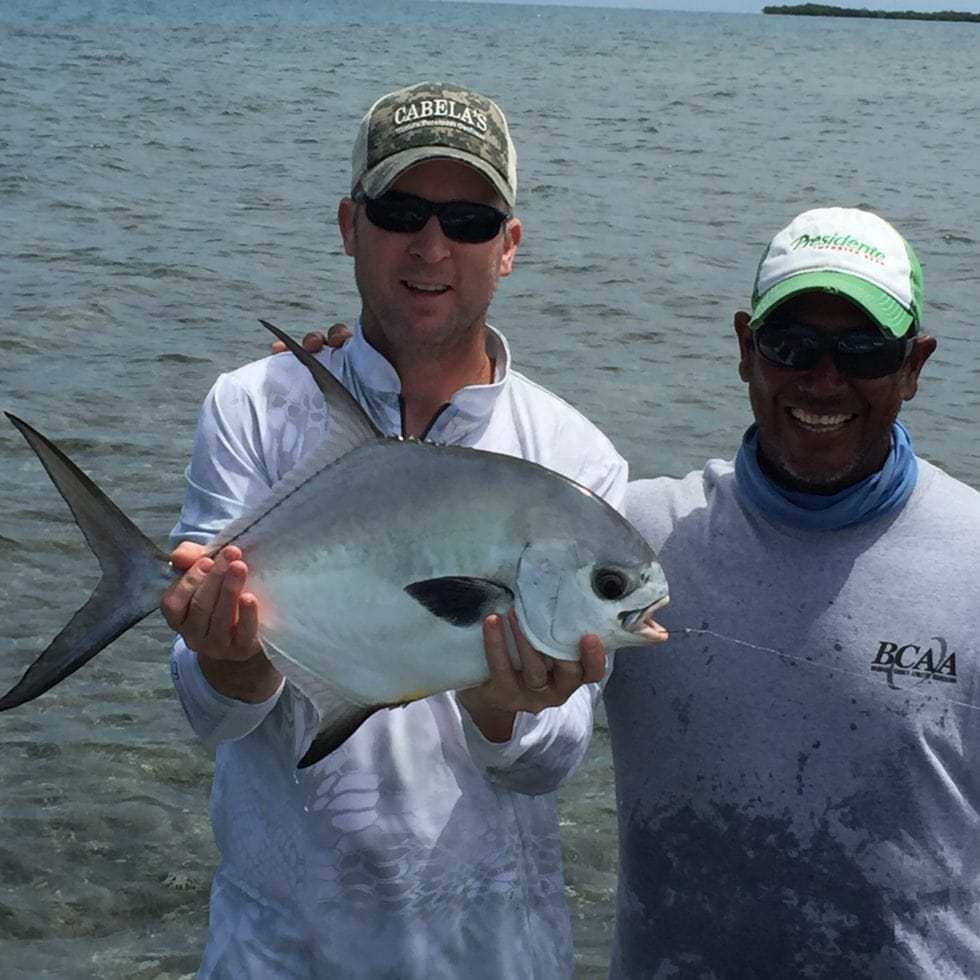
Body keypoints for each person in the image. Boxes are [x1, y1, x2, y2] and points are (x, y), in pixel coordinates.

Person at [160, 82, 626, 978]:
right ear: (350, 224)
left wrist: (503, 708)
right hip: (279, 955)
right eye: (401, 209)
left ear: (511, 247)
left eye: (470, 220)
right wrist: (231, 658)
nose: (432, 245)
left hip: (488, 952)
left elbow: (547, 764)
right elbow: (210, 715)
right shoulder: (255, 408)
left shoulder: (574, 458)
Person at [606, 207, 980, 977]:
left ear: (914, 365)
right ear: (747, 349)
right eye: (792, 344)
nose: (823, 378)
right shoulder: (634, 538)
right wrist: (333, 392)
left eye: (864, 349)